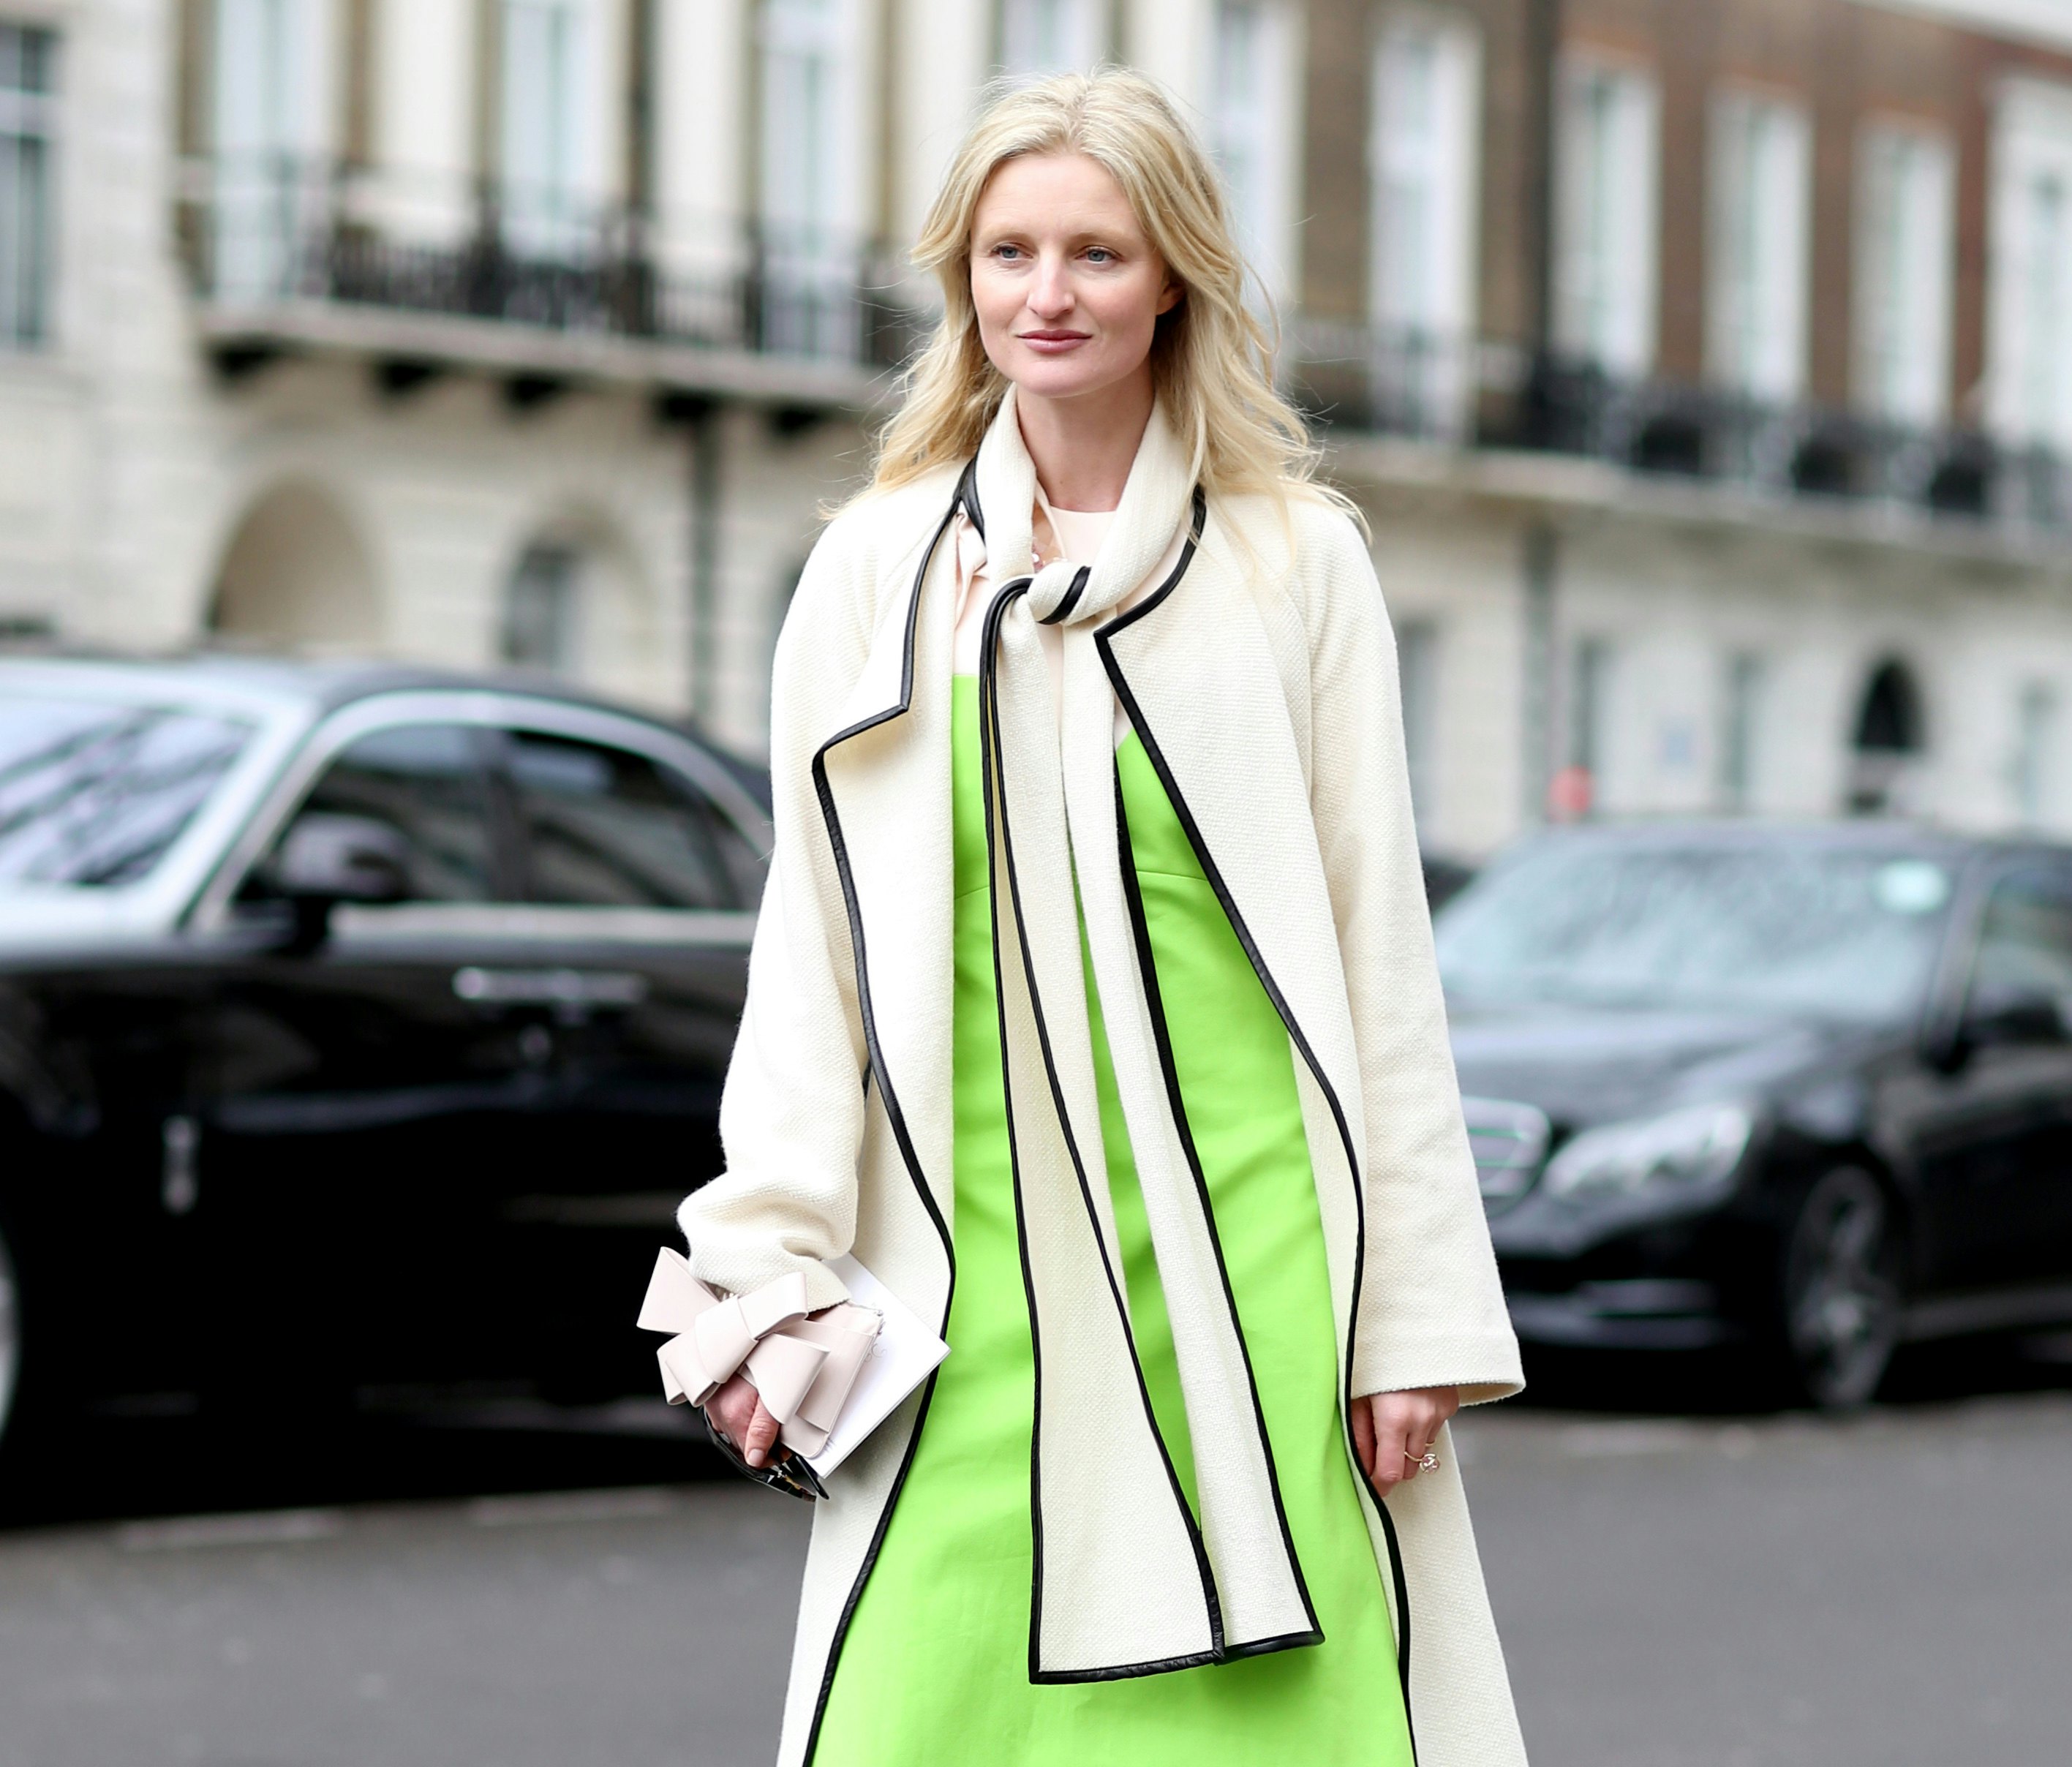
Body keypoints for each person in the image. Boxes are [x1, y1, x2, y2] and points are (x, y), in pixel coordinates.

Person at [681, 67, 1527, 1767]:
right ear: (961, 279)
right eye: (1007, 253)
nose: (1045, 295)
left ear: (1172, 283)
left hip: (1263, 1255)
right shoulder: (875, 567)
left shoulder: (1299, 564)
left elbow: (1381, 956)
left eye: (1092, 253)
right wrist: (762, 1261)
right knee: (926, 1701)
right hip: (957, 1266)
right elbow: (812, 950)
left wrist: (1412, 1314)